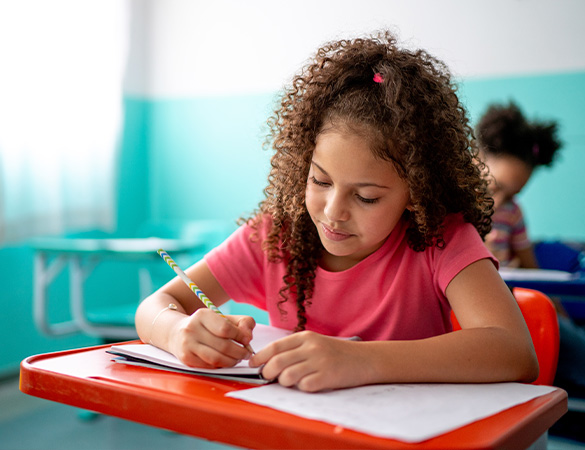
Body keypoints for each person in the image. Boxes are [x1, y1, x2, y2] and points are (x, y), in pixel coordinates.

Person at [135, 31, 538, 393]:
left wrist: (361, 360)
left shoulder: (440, 238)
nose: (333, 211)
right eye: (321, 181)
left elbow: (514, 350)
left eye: (365, 197)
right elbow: (155, 307)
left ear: (416, 193)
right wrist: (179, 332)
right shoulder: (276, 236)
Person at [476, 102, 585, 402]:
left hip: (516, 298)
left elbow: (533, 271)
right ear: (477, 157)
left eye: (513, 193)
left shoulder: (512, 212)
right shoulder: (450, 205)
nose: (501, 200)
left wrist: (561, 313)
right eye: (496, 187)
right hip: (482, 299)